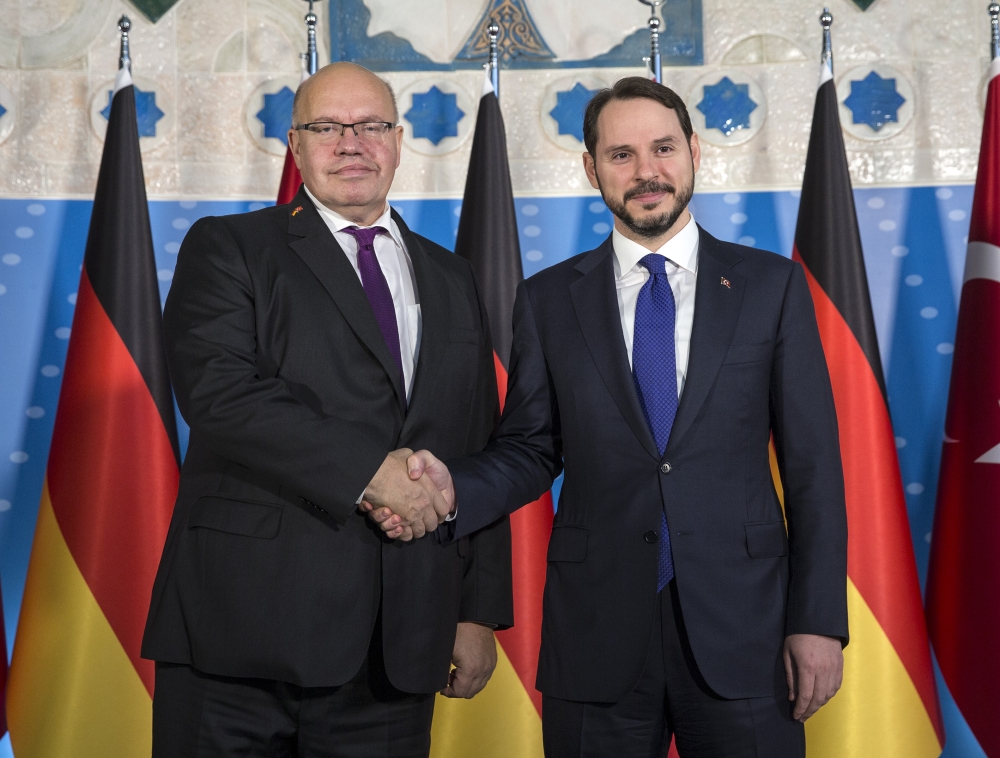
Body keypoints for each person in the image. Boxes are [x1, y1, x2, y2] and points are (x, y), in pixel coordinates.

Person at [371, 77, 848, 758]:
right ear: (591, 169)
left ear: (695, 153)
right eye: (621, 155)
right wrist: (449, 493)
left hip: (748, 632)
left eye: (662, 148)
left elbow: (813, 469)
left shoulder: (770, 287)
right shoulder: (547, 300)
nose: (646, 171)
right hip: (595, 636)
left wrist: (820, 622)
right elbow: (532, 448)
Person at [141, 62, 512, 758]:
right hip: (241, 641)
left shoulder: (453, 276)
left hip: (396, 648)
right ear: (295, 144)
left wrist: (477, 610)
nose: (351, 143)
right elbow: (221, 395)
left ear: (398, 140)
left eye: (370, 126)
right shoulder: (229, 248)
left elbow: (473, 440)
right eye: (327, 127)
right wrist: (374, 472)